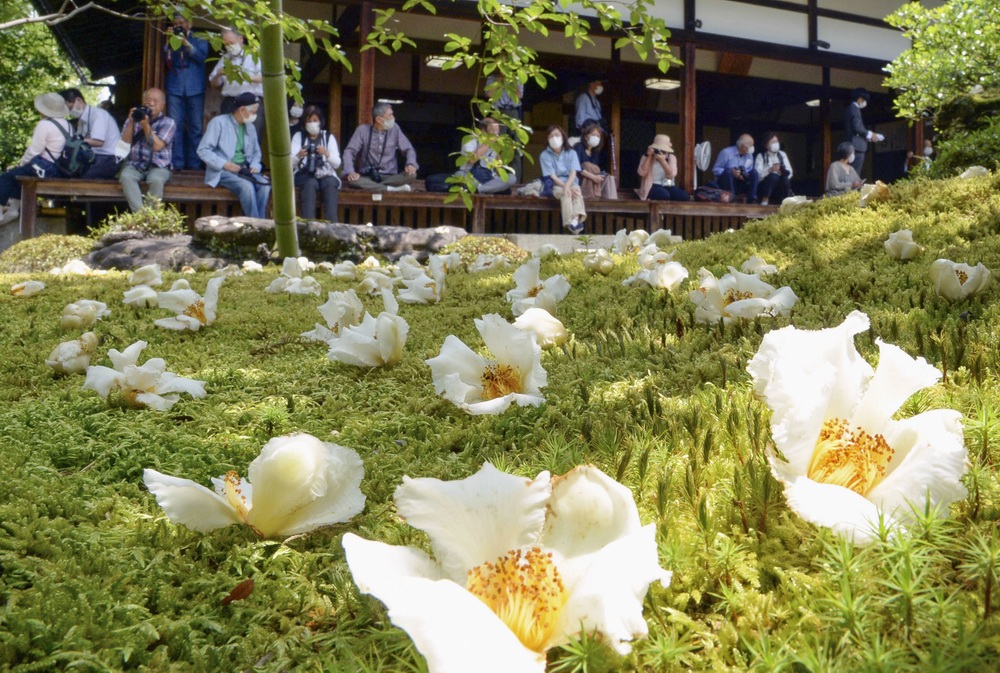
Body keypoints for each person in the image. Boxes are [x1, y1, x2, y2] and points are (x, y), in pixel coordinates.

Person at [0, 93, 71, 226]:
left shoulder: (44, 124)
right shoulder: (68, 125)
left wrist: (21, 164)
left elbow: (34, 150)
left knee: (6, 177)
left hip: (45, 168)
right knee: (18, 175)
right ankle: (14, 209)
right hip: (59, 170)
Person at [197, 91, 270, 218]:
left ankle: (260, 222)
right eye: (253, 111)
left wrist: (255, 165)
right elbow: (203, 150)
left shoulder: (250, 127)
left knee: (265, 186)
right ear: (242, 110)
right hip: (222, 171)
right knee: (247, 187)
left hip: (244, 170)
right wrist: (224, 164)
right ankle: (256, 224)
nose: (255, 114)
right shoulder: (218, 122)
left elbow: (256, 153)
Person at [119, 88, 177, 212]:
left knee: (156, 180)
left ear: (162, 105)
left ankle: (152, 216)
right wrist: (131, 122)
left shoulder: (168, 122)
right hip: (135, 164)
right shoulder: (134, 119)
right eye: (148, 100)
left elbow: (157, 146)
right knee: (126, 176)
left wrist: (145, 125)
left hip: (159, 165)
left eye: (155, 101)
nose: (151, 104)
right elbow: (125, 143)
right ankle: (142, 217)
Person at [164, 11, 208, 170]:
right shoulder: (172, 39)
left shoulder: (200, 38)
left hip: (195, 88)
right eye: (175, 24)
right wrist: (169, 41)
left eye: (181, 24)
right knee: (174, 127)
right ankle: (177, 163)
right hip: (175, 87)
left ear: (189, 23)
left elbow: (202, 57)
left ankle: (195, 165)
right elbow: (165, 57)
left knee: (196, 128)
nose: (178, 27)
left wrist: (186, 43)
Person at [342, 102, 418, 192]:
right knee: (353, 181)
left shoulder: (395, 129)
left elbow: (408, 149)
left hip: (391, 178)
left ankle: (377, 187)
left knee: (412, 175)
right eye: (390, 115)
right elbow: (349, 152)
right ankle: (390, 189)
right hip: (368, 176)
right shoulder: (362, 130)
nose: (393, 118)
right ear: (379, 119)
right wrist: (351, 171)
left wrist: (410, 164)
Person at [209, 28, 263, 139]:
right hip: (230, 103)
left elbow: (264, 78)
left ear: (240, 39)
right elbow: (214, 84)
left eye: (231, 43)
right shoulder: (225, 58)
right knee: (227, 139)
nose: (229, 46)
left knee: (250, 139)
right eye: (226, 44)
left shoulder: (254, 54)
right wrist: (218, 75)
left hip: (250, 103)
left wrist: (242, 76)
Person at [291, 105, 341, 220]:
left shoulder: (328, 137)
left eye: (315, 120)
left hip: (325, 174)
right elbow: (289, 163)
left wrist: (326, 153)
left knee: (330, 183)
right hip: (304, 174)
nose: (312, 123)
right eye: (309, 121)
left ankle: (333, 225)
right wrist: (299, 156)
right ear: (304, 123)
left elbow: (337, 163)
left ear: (320, 121)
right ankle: (308, 224)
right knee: (310, 183)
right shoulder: (299, 136)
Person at [60, 88, 122, 179]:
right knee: (67, 170)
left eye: (70, 107)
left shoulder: (98, 114)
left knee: (83, 178)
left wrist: (76, 141)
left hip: (110, 158)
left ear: (78, 100)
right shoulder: (81, 120)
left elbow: (98, 142)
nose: (70, 112)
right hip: (95, 157)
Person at [540, 125, 586, 234]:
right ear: (547, 139)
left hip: (571, 182)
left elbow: (573, 172)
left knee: (577, 192)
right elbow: (552, 176)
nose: (554, 138)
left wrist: (568, 186)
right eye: (551, 136)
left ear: (563, 137)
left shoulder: (572, 153)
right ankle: (572, 222)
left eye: (557, 135)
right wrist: (565, 188)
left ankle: (574, 221)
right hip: (557, 184)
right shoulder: (544, 155)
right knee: (566, 194)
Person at [456, 117, 516, 195]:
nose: (496, 135)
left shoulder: (497, 144)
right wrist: (489, 142)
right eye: (493, 132)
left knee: (511, 178)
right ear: (483, 131)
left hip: (489, 178)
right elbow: (471, 160)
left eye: (497, 132)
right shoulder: (470, 139)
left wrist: (500, 151)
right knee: (460, 178)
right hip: (469, 175)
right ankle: (487, 190)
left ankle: (479, 190)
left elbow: (499, 168)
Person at [636, 134, 689, 202]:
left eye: (664, 151)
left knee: (684, 196)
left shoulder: (671, 157)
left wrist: (662, 161)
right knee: (664, 195)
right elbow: (641, 173)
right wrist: (649, 156)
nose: (661, 152)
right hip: (652, 184)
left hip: (668, 183)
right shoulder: (646, 157)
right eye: (659, 150)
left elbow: (671, 175)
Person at [844, 87, 883, 178]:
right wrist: (871, 134)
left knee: (851, 172)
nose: (865, 103)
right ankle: (853, 192)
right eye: (865, 100)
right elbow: (857, 127)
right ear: (860, 99)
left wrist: (867, 136)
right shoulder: (854, 108)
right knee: (854, 174)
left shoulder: (850, 108)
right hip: (856, 146)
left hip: (852, 144)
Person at [573, 122, 617, 200]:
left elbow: (595, 168)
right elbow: (576, 167)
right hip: (578, 177)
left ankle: (610, 200)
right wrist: (593, 177)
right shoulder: (579, 147)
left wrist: (599, 176)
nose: (596, 137)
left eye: (598, 136)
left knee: (608, 177)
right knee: (587, 165)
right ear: (586, 137)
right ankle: (589, 195)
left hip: (592, 178)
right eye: (593, 135)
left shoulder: (595, 151)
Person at [712, 134, 758, 203]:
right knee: (728, 171)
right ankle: (731, 198)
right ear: (743, 146)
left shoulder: (750, 156)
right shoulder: (726, 152)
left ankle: (751, 199)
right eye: (751, 145)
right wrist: (732, 172)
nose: (752, 147)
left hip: (740, 182)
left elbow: (749, 170)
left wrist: (743, 175)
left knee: (754, 173)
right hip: (726, 183)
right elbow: (715, 169)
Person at [754, 132, 793, 205]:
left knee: (785, 179)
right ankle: (765, 199)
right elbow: (757, 175)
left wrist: (782, 172)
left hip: (780, 186)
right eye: (773, 142)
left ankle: (786, 200)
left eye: (776, 141)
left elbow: (790, 172)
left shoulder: (782, 155)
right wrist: (770, 170)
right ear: (766, 145)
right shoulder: (761, 156)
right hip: (765, 186)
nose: (776, 144)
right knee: (773, 176)